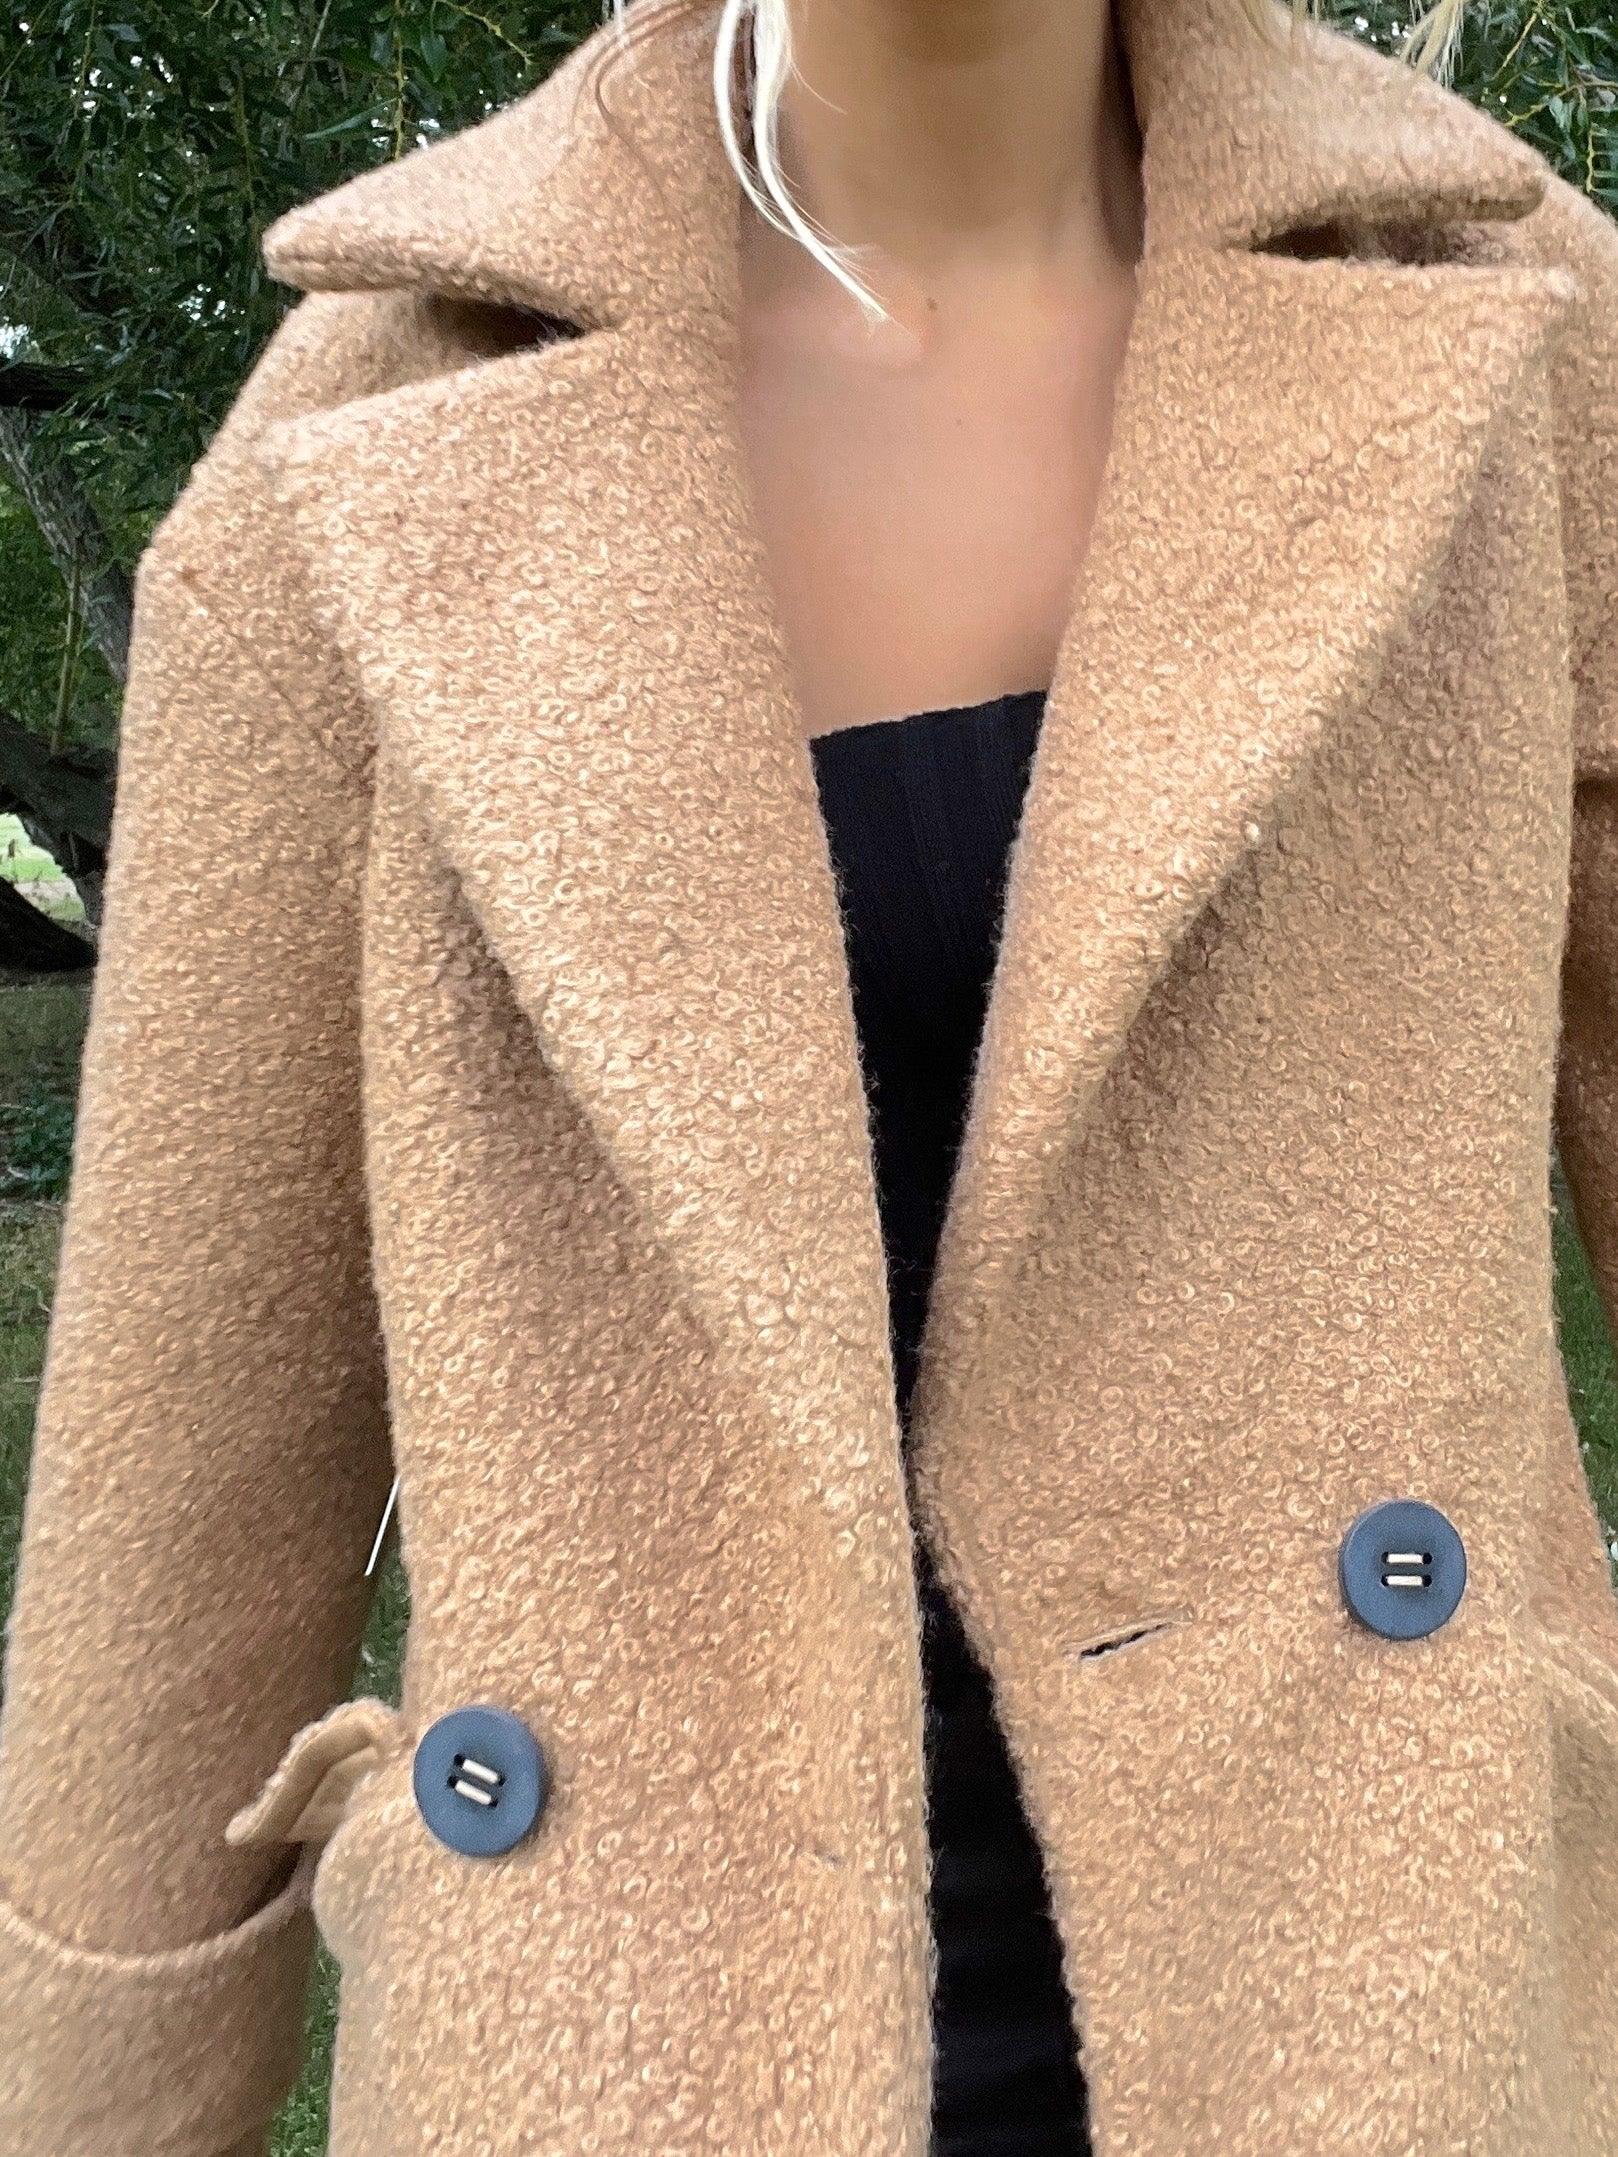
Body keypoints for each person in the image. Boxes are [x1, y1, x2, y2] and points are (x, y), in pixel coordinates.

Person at [2, 0, 1617, 2150]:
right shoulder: (361, 455)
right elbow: (176, 1515)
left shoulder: (1518, 340)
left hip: (1383, 2021)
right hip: (629, 2059)